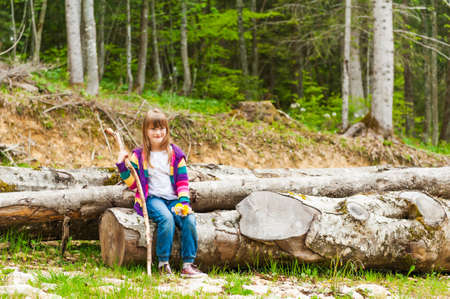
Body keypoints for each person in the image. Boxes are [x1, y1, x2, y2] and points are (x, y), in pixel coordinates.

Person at [116, 108, 206, 278]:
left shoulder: (175, 154)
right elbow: (134, 185)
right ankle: (163, 263)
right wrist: (122, 166)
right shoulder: (138, 155)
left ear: (166, 129)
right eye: (153, 129)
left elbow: (182, 182)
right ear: (145, 131)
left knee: (189, 219)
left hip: (173, 199)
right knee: (166, 218)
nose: (158, 132)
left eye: (161, 128)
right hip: (151, 199)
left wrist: (184, 203)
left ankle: (188, 265)